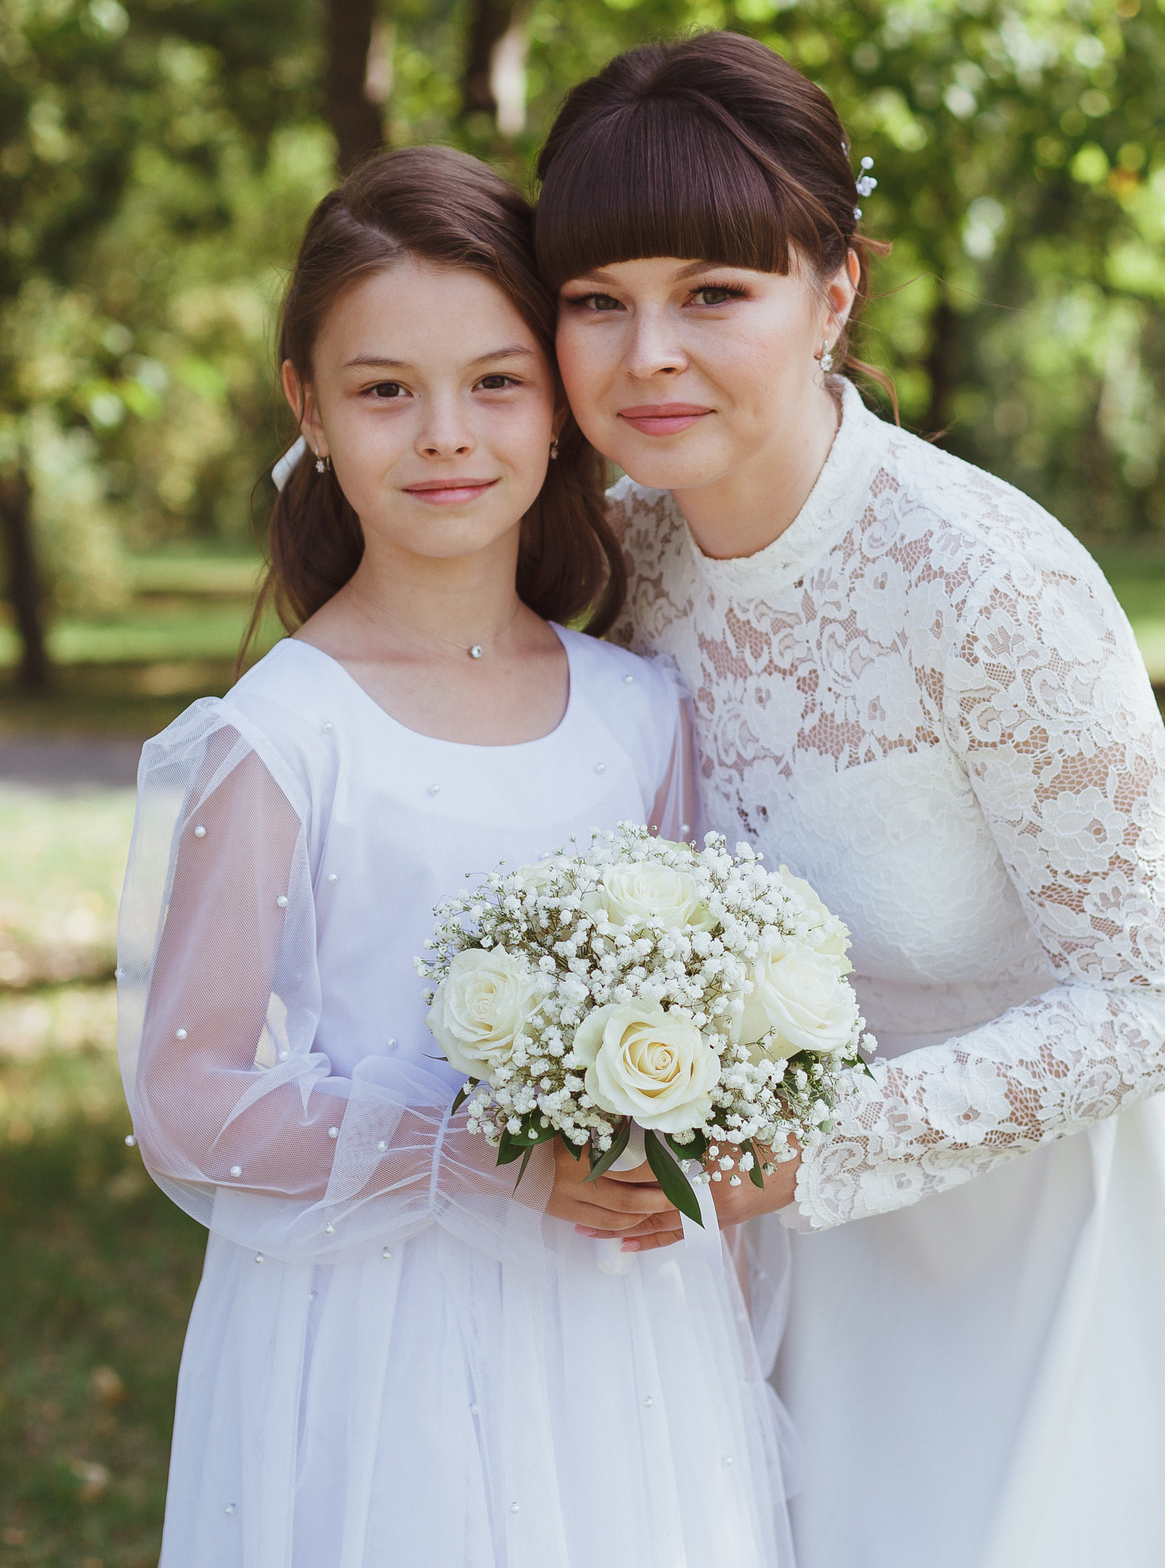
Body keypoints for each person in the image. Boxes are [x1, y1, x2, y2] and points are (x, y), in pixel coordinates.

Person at [535, 33, 1165, 1567]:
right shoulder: (621, 556)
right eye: (597, 302)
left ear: (835, 293)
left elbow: (1152, 997)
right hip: (832, 1224)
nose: (646, 352)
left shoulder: (984, 581)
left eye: (712, 294)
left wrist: (800, 1152)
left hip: (1101, 1184)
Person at [114, 145, 790, 1568]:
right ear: (308, 403)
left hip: (623, 1337)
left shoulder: (637, 709)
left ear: (556, 398)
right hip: (380, 1348)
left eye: (494, 381)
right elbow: (186, 1099)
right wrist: (476, 1155)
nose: (445, 438)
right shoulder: (286, 734)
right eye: (384, 391)